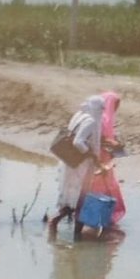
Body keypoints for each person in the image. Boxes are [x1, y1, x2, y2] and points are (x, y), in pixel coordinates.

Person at [48, 95, 107, 239]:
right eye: (101, 109)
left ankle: (55, 222)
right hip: (81, 166)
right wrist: (91, 155)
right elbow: (78, 142)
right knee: (81, 198)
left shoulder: (80, 116)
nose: (102, 112)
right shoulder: (91, 121)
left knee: (72, 197)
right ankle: (77, 236)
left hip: (71, 163)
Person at [88, 90, 127, 224]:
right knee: (101, 186)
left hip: (104, 157)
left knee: (105, 186)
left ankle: (103, 216)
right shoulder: (102, 120)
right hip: (99, 159)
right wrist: (114, 144)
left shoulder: (105, 119)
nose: (116, 108)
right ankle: (101, 217)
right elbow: (100, 138)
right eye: (115, 104)